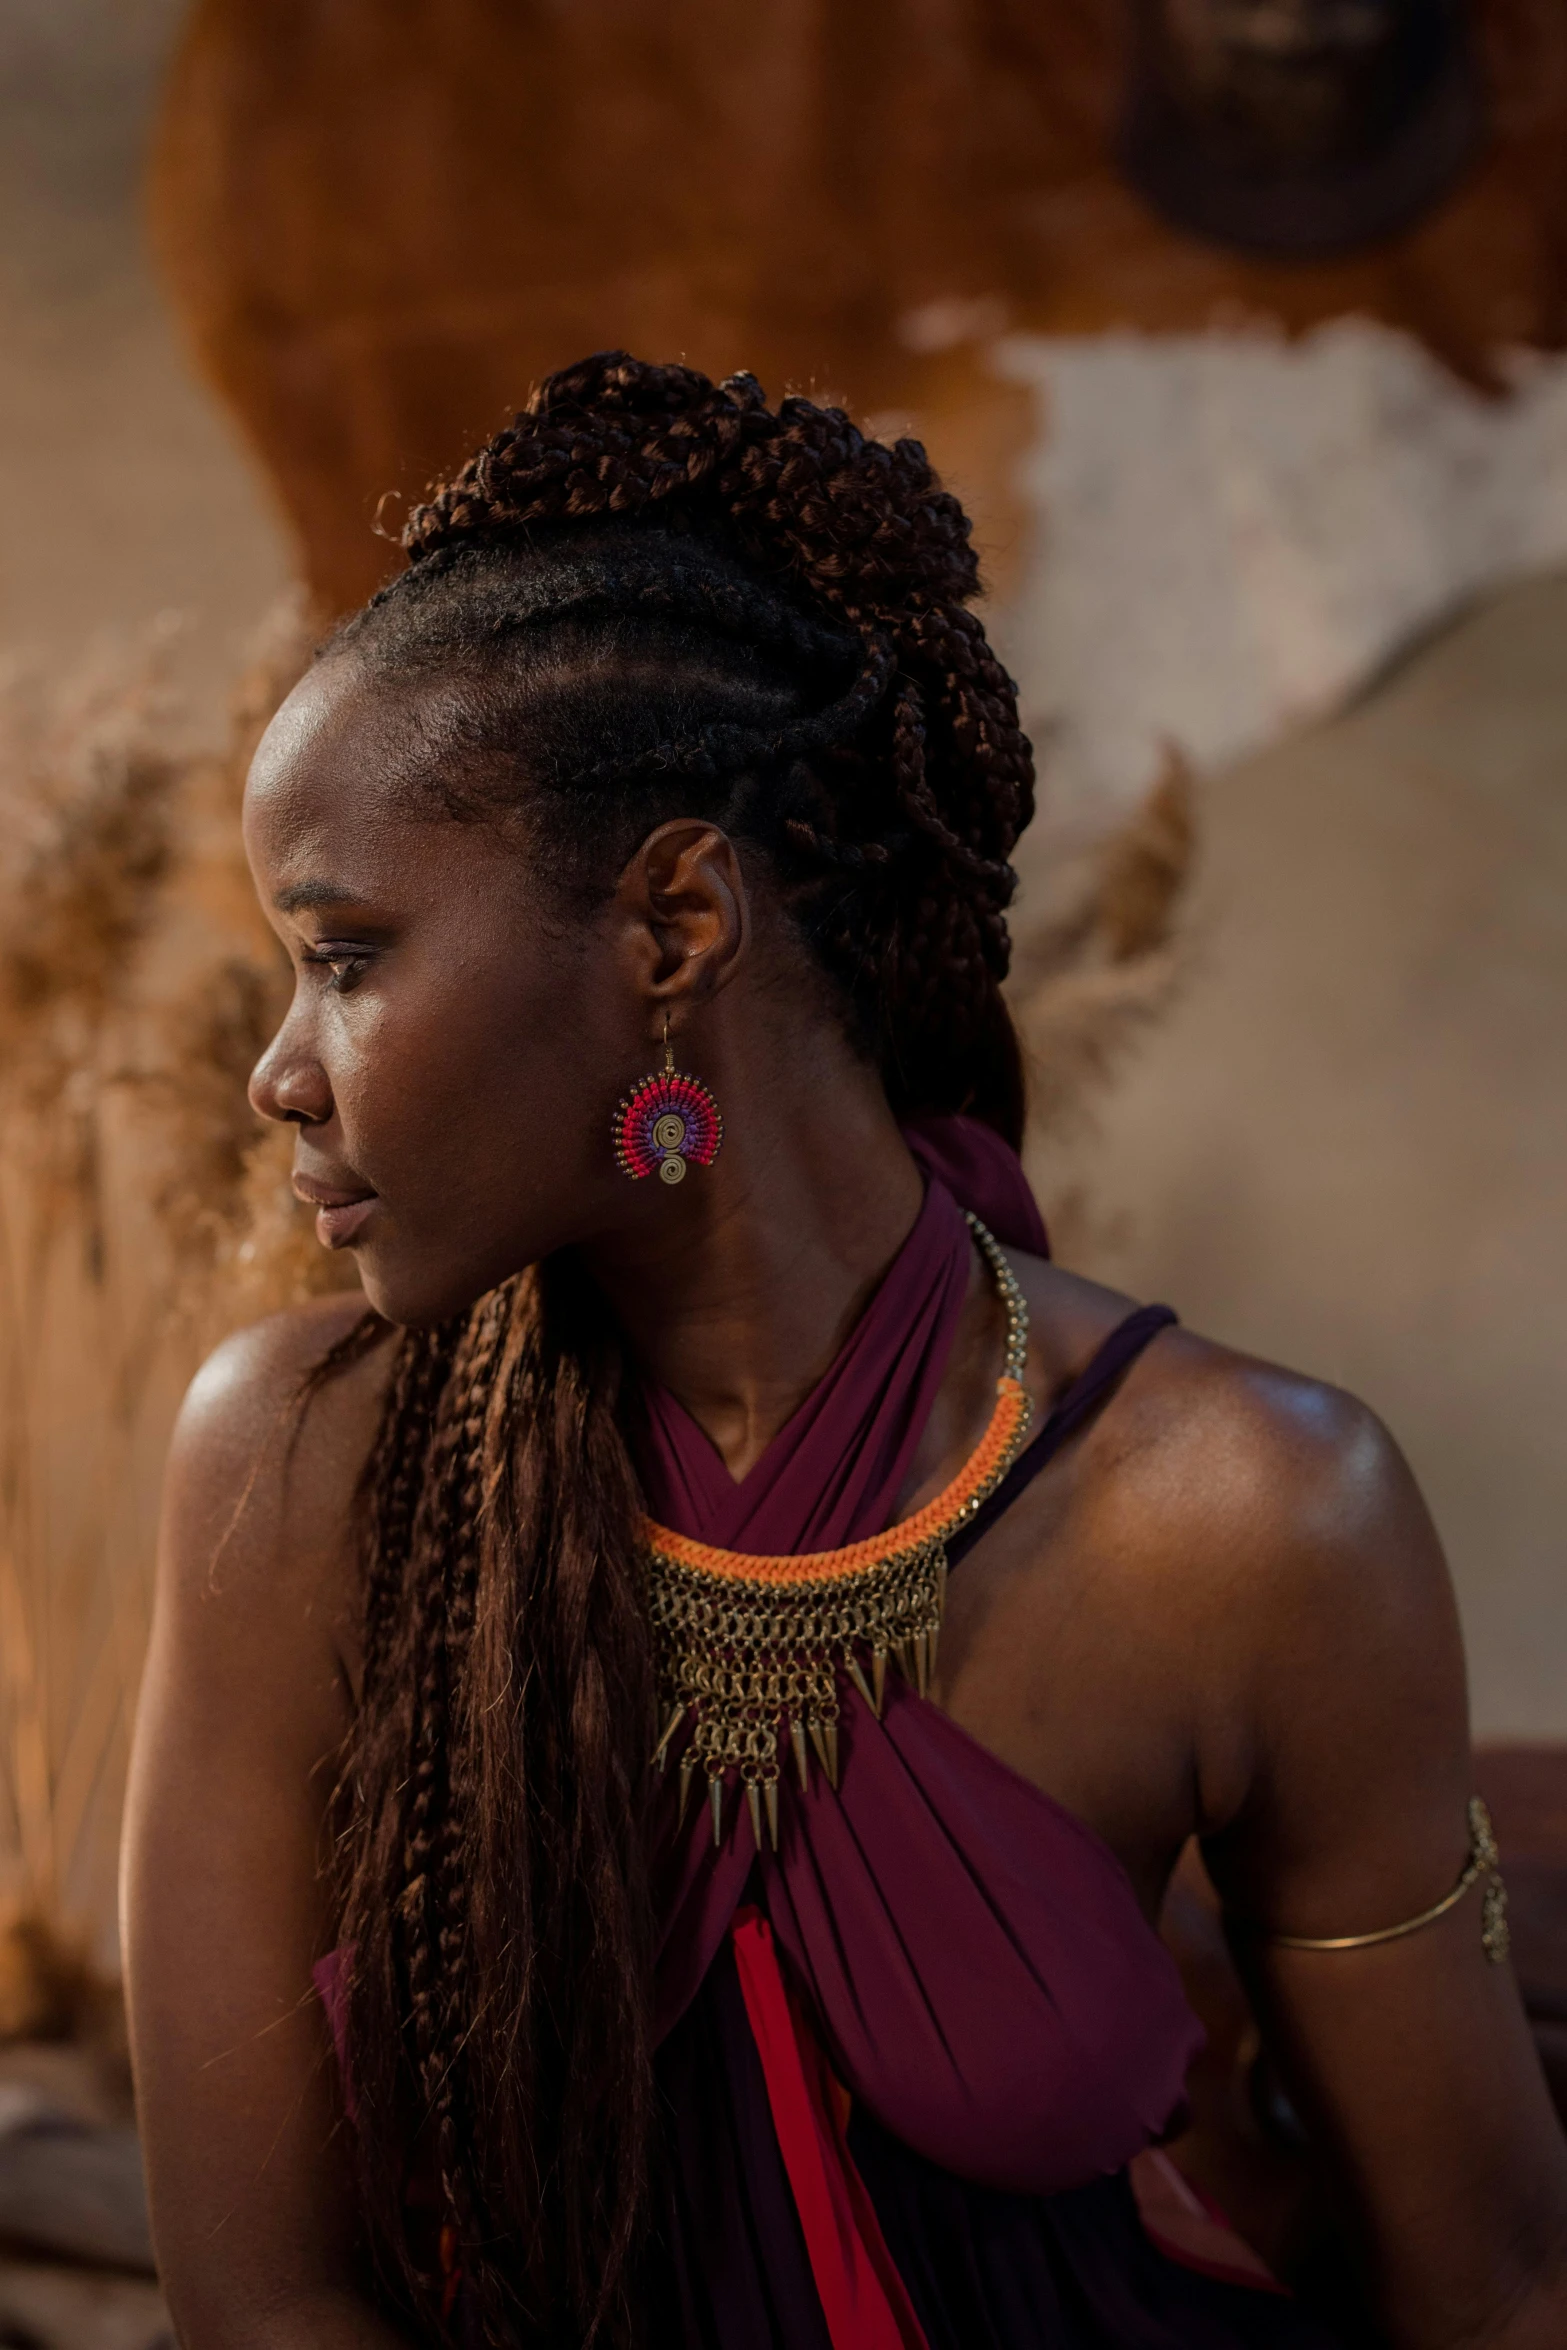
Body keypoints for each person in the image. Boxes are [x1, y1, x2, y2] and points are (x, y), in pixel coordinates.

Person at [122, 353, 1567, 2350]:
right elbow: (267, 2301)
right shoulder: (294, 1472)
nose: (281, 1069)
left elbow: (1493, 2290)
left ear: (677, 923)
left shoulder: (1254, 1519)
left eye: (348, 953)